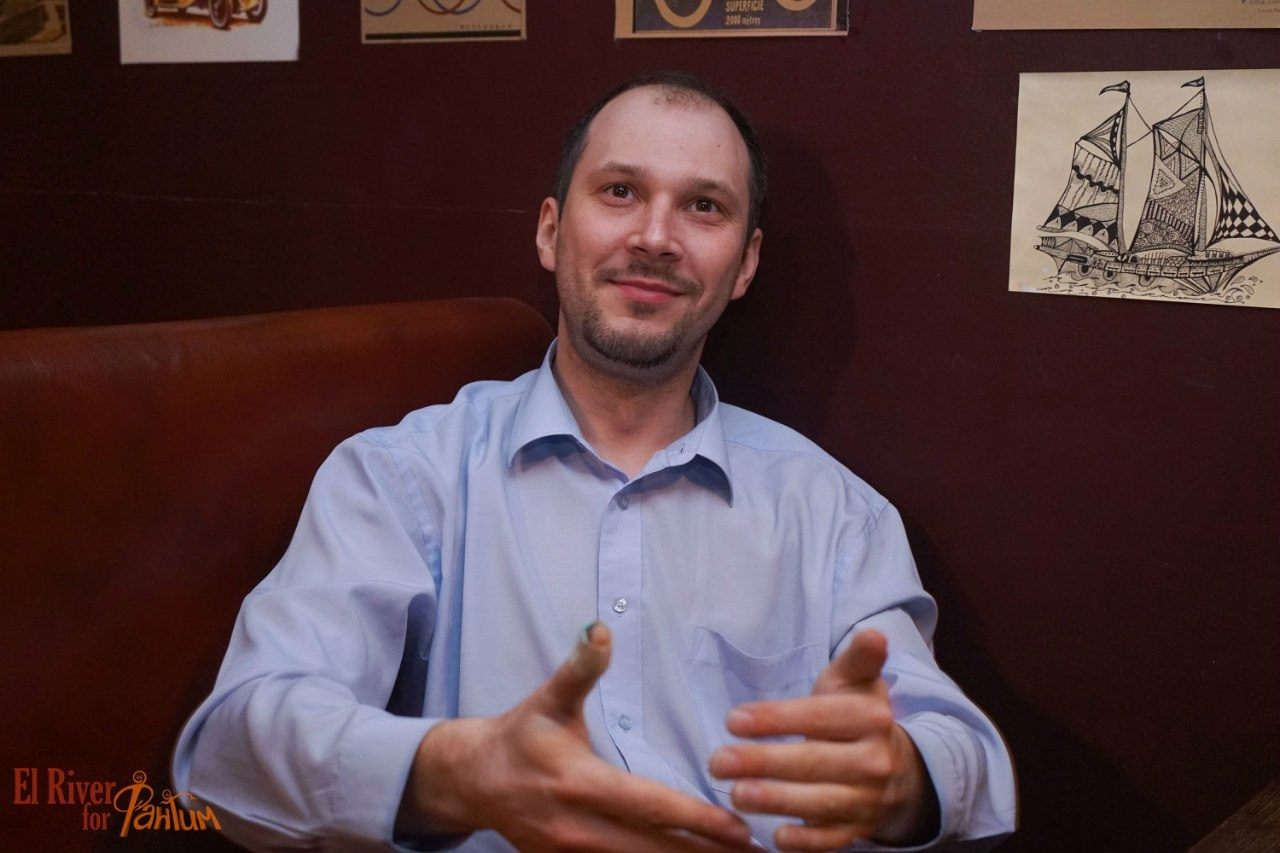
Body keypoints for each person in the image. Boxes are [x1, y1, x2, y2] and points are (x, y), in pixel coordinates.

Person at [173, 70, 1016, 852]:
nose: (654, 237)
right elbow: (236, 741)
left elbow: (964, 753)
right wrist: (454, 771)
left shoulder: (832, 512)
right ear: (551, 230)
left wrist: (901, 779)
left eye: (704, 207)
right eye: (620, 192)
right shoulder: (402, 479)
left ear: (746, 264)